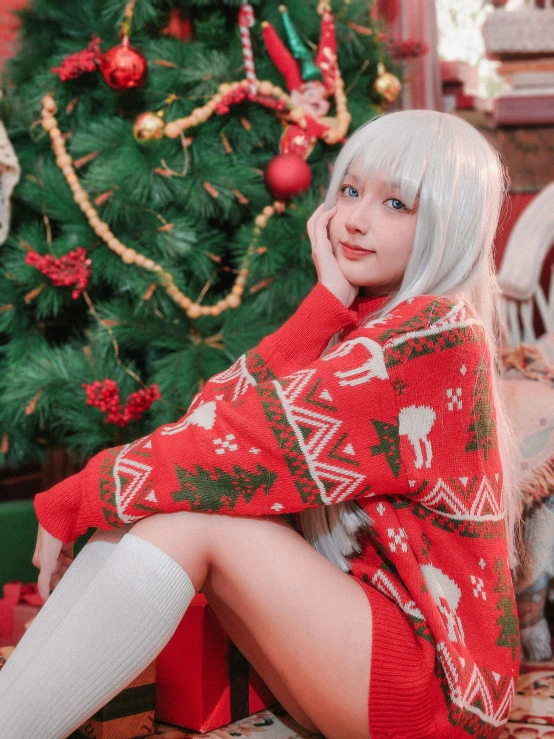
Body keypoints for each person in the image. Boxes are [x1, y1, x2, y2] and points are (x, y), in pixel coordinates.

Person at [0, 109, 521, 739]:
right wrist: (326, 302)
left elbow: (242, 448)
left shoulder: (433, 339)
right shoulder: (371, 320)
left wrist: (82, 493)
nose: (355, 218)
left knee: (194, 516)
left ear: (449, 223)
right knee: (175, 504)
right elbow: (218, 416)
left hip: (432, 693)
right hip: (363, 654)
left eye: (396, 204)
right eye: (350, 191)